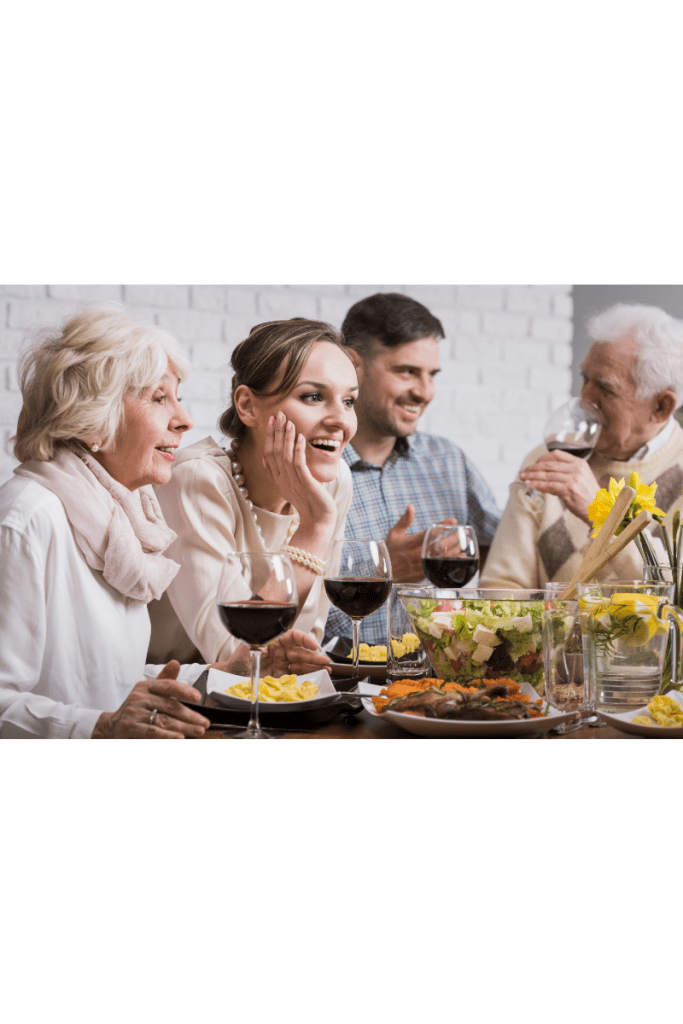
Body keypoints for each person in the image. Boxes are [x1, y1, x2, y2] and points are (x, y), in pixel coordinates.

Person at [0, 306, 214, 738]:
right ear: (92, 420)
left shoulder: (122, 516)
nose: (185, 420)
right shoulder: (25, 521)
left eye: (178, 397)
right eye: (158, 398)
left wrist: (229, 675)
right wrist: (100, 728)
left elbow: (106, 678)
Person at [148, 318, 358, 671]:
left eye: (350, 401)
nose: (342, 420)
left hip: (271, 700)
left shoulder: (334, 480)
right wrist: (315, 527)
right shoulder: (196, 479)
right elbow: (238, 655)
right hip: (179, 700)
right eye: (313, 397)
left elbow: (304, 643)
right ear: (247, 406)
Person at [323, 292, 501, 646]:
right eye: (407, 372)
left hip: (438, 687)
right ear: (354, 366)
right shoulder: (308, 466)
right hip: (340, 687)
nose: (424, 391)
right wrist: (382, 572)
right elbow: (282, 606)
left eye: (431, 374)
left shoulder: (448, 459)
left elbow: (507, 555)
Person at [481, 303, 683, 589]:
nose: (584, 399)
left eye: (605, 388)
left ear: (661, 407)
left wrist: (603, 515)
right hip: (549, 636)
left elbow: (676, 593)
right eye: (585, 378)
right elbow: (502, 587)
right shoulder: (546, 460)